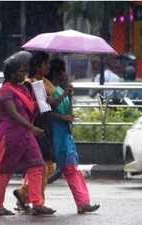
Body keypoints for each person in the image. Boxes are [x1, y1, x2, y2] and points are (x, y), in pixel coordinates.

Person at [0, 51, 56, 216]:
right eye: (20, 71)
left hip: (26, 134)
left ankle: (37, 203)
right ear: (10, 73)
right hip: (11, 136)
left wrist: (41, 101)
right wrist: (32, 128)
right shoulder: (5, 91)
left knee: (38, 165)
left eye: (24, 71)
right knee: (4, 170)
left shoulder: (24, 88)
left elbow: (31, 108)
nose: (23, 74)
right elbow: (13, 114)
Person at [13, 51, 70, 211]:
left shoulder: (42, 81)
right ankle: (31, 198)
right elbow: (47, 105)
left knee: (40, 166)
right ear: (38, 66)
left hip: (42, 126)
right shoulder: (33, 83)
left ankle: (25, 197)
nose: (48, 67)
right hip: (39, 127)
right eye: (46, 64)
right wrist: (64, 93)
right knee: (44, 166)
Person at [48, 57, 100, 214]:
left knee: (71, 169)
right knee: (67, 169)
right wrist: (64, 94)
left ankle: (83, 202)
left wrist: (69, 95)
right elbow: (49, 111)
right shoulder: (50, 90)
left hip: (66, 135)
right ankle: (26, 195)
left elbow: (69, 114)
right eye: (63, 72)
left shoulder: (62, 90)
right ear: (57, 73)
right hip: (57, 135)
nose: (66, 75)